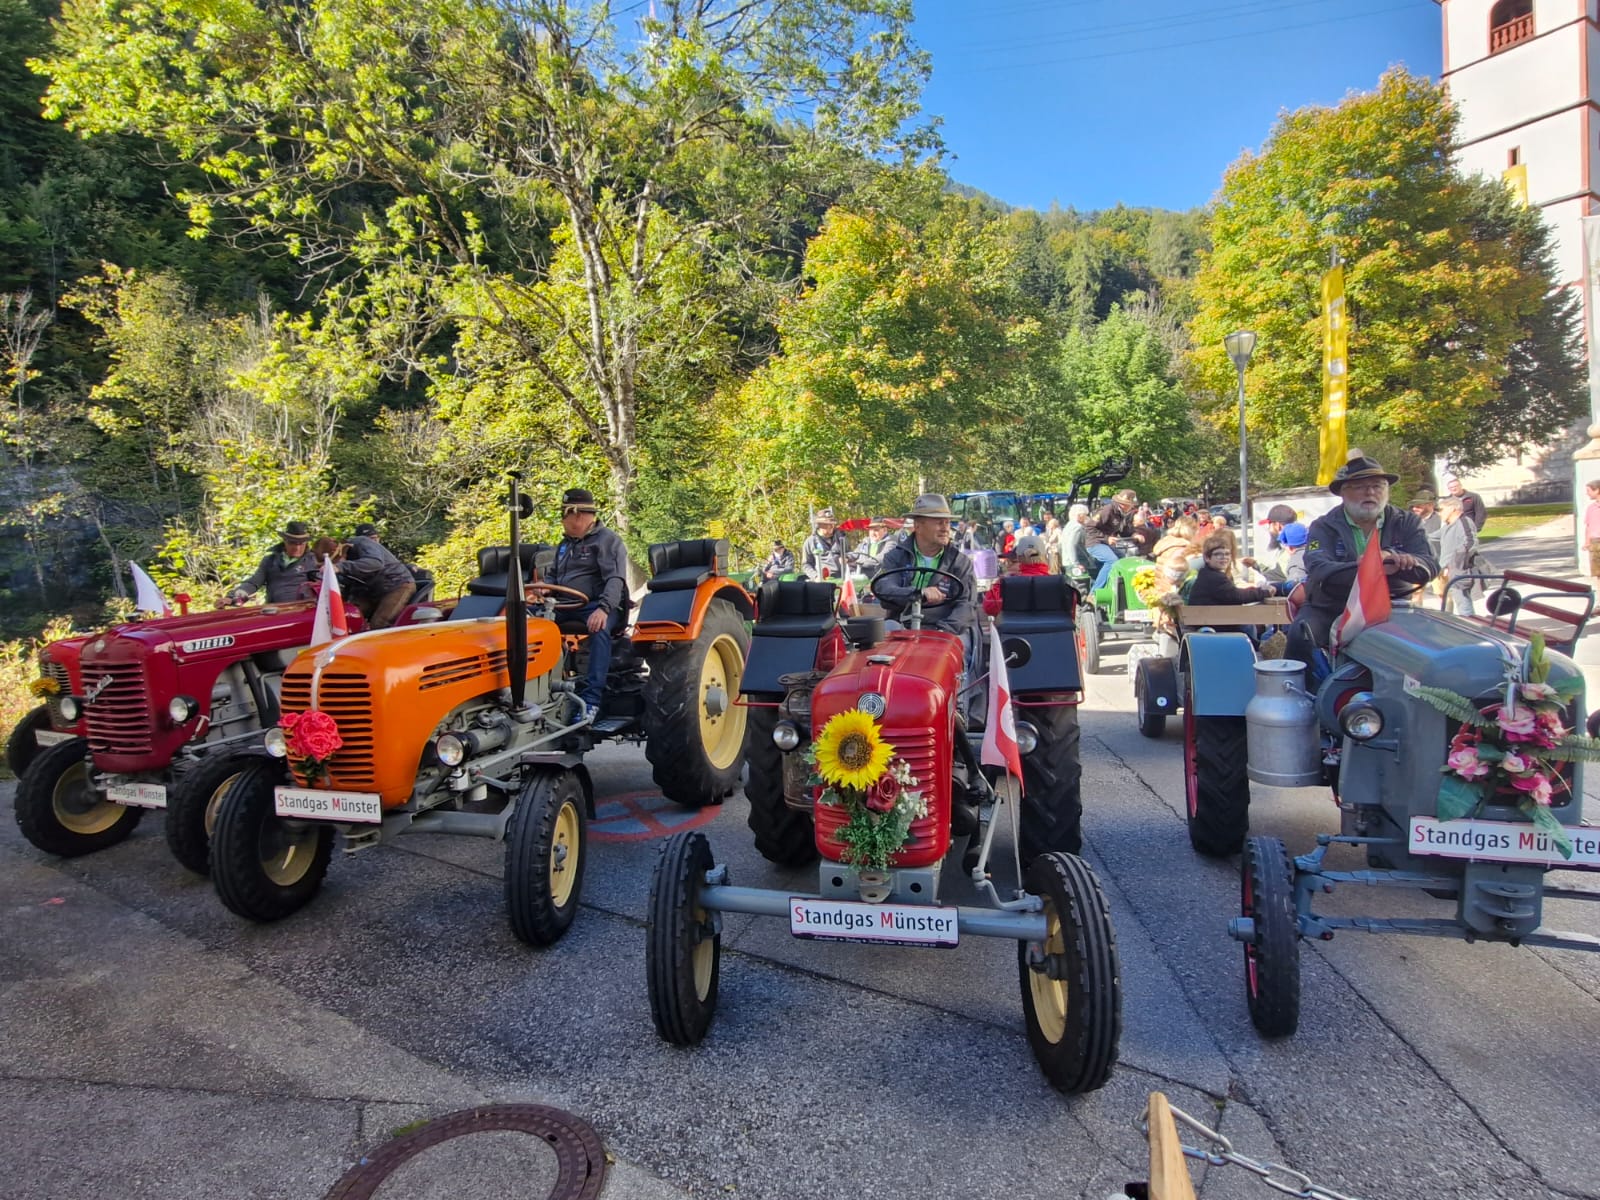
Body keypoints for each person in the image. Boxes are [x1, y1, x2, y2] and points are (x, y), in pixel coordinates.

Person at [1302, 453, 1438, 645]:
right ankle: (1299, 676)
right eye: (1360, 487)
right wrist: (1369, 566)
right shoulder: (1323, 526)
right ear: (1342, 492)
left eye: (1377, 486)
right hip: (1333, 606)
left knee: (1430, 645)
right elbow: (1317, 567)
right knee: (1302, 635)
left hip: (1394, 605)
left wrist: (1398, 559)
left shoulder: (1407, 522)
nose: (1370, 492)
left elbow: (1430, 564)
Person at [541, 487, 628, 717]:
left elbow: (615, 579)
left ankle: (591, 700)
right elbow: (552, 576)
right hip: (563, 605)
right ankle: (539, 690)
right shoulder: (564, 545)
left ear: (577, 514)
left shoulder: (607, 541)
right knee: (531, 623)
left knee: (599, 629)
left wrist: (603, 609)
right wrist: (544, 592)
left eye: (564, 515)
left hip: (596, 605)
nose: (562, 521)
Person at [874, 493, 978, 637]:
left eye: (947, 522)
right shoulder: (896, 557)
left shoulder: (960, 562)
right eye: (938, 522)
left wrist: (943, 632)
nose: (945, 528)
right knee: (884, 632)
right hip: (902, 626)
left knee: (961, 647)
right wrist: (918, 593)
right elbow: (885, 588)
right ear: (918, 526)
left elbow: (966, 605)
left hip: (947, 629)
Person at [337, 529, 417, 629]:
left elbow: (375, 563)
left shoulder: (361, 542)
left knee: (379, 624)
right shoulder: (348, 558)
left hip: (396, 584)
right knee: (348, 617)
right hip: (371, 590)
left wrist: (341, 566)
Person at [227, 520, 317, 605]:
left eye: (301, 544)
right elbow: (254, 582)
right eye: (293, 543)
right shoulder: (270, 560)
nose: (297, 548)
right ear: (285, 541)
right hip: (274, 611)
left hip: (301, 611)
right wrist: (232, 598)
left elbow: (323, 584)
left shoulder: (313, 561)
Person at [1187, 531, 1284, 607]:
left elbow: (1232, 594)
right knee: (1251, 623)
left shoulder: (1210, 573)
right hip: (1214, 623)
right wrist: (1264, 592)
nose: (1224, 557)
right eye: (1218, 554)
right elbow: (1236, 596)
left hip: (1216, 619)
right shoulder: (1213, 577)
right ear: (1207, 558)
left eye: (1227, 554)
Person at [983, 533, 1051, 616]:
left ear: (1018, 558)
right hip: (1054, 628)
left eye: (1011, 562)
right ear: (1045, 556)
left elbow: (989, 608)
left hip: (1013, 627)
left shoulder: (1004, 583)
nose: (1007, 565)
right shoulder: (1059, 583)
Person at [1085, 488, 1139, 591]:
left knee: (1123, 559)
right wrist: (1107, 538)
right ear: (1123, 504)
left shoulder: (1122, 514)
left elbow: (1123, 531)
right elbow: (1089, 527)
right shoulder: (1107, 510)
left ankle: (1118, 589)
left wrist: (1135, 534)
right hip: (1094, 543)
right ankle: (1095, 593)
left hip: (1105, 544)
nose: (1131, 507)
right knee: (1112, 560)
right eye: (1130, 505)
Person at [1437, 496, 1479, 617]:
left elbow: (1471, 544)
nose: (1439, 513)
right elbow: (1432, 536)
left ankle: (1470, 627)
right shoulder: (1448, 526)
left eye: (1441, 509)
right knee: (1458, 599)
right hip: (1449, 569)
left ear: (1453, 509)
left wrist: (1455, 564)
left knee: (1463, 601)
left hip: (1459, 569)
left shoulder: (1464, 522)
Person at [801, 509, 849, 580]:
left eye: (832, 523)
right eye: (827, 524)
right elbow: (806, 565)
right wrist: (816, 576)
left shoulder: (841, 537)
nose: (831, 526)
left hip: (844, 576)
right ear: (819, 525)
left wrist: (847, 558)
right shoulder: (810, 542)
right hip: (825, 580)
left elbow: (850, 553)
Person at [1060, 504, 1094, 576]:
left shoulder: (1069, 525)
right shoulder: (1077, 527)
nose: (1086, 517)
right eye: (1085, 515)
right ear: (1079, 516)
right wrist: (1076, 564)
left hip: (1067, 561)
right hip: (1077, 564)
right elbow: (1071, 545)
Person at [1585, 480, 1600, 588]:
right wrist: (1587, 542)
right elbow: (1588, 526)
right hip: (1595, 543)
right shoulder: (1591, 508)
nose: (1587, 493)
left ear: (1597, 490)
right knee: (1598, 573)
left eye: (1589, 490)